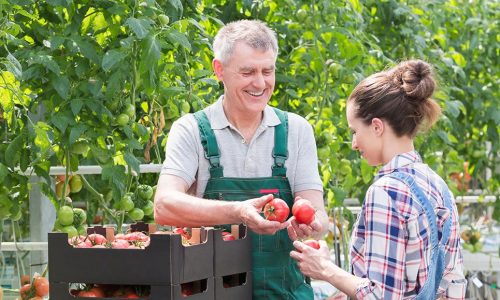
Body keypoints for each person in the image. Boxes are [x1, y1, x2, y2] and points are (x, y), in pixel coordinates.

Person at [154, 19, 329, 299]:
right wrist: (237, 212)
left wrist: (315, 226)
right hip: (210, 293)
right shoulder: (191, 130)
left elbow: (317, 214)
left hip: (284, 293)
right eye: (247, 72)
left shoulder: (296, 130)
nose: (260, 83)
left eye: (267, 71)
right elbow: (164, 206)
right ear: (219, 70)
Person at [290, 60, 466, 299]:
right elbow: (450, 284)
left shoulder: (386, 192)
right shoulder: (437, 185)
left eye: (355, 131)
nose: (353, 143)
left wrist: (325, 269)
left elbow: (380, 296)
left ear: (376, 127)